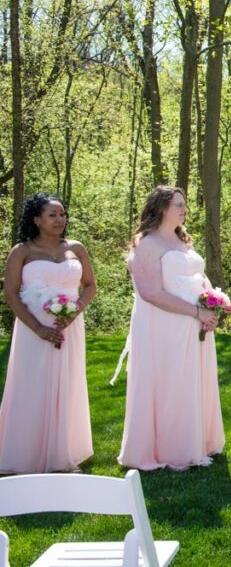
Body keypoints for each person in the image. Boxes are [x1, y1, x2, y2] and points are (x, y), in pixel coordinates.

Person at [117, 186, 225, 470]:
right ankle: (171, 449)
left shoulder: (182, 241)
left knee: (192, 380)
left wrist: (212, 305)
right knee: (170, 382)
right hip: (164, 325)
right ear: (161, 208)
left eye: (184, 204)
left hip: (196, 322)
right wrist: (196, 311)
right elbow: (150, 292)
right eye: (178, 204)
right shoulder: (147, 245)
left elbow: (198, 277)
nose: (184, 209)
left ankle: (198, 441)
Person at [0, 193, 95, 473]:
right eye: (52, 215)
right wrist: (38, 328)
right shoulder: (22, 251)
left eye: (62, 214)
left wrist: (74, 311)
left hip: (69, 325)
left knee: (68, 384)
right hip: (34, 329)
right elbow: (10, 294)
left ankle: (64, 453)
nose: (59, 219)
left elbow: (89, 286)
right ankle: (25, 453)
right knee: (33, 385)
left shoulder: (76, 248)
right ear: (36, 219)